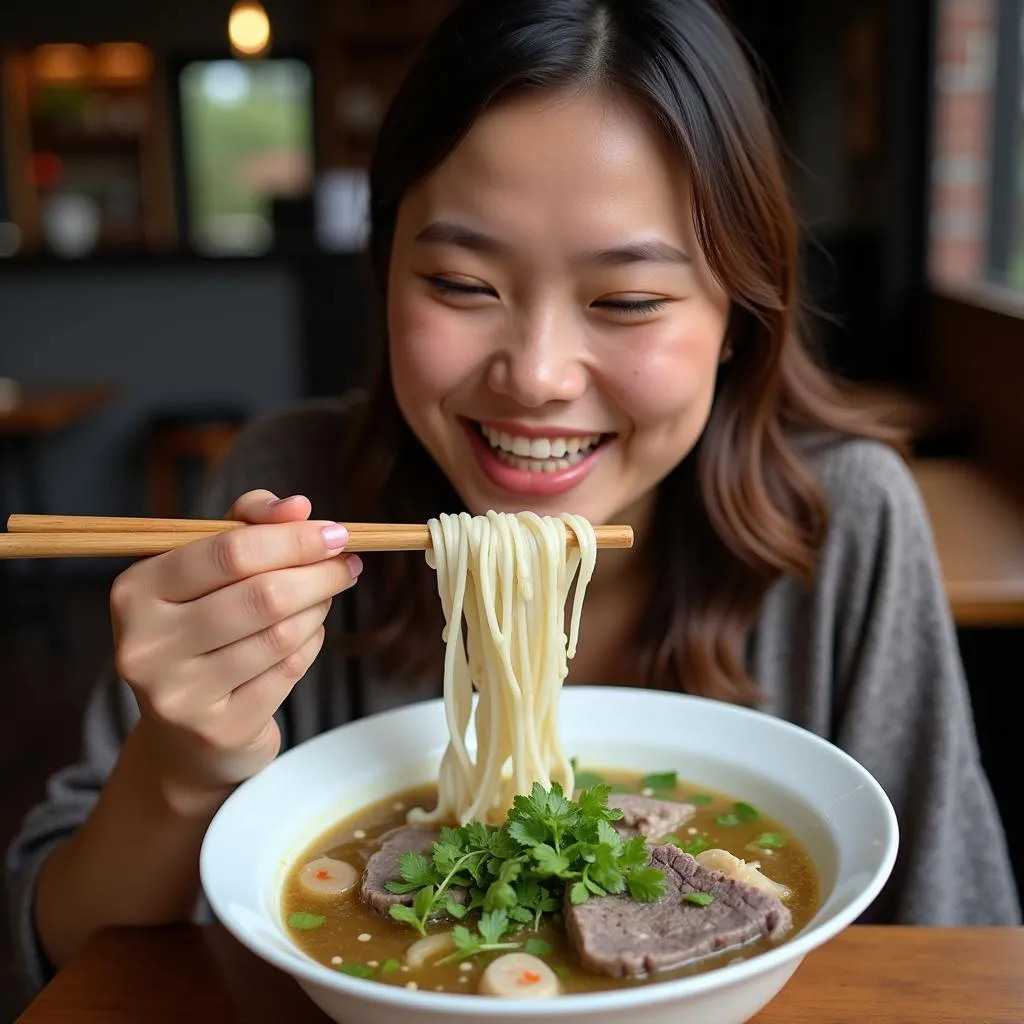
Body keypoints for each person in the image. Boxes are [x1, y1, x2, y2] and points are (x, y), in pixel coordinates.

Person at [8, 0, 1019, 1000]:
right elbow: (48, 959)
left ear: (736, 319)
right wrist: (181, 764)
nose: (536, 374)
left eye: (626, 300)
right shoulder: (292, 491)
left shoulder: (844, 520)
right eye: (459, 282)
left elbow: (972, 953)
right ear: (383, 271)